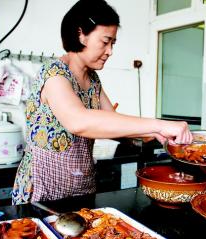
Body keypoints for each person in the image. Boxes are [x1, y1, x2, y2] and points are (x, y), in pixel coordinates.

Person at [11, 0, 192, 205]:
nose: (110, 51)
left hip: (81, 188)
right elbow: (78, 121)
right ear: (81, 34)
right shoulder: (54, 73)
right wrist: (159, 124)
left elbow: (113, 122)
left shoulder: (92, 79)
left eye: (113, 43)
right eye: (105, 41)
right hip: (43, 193)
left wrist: (157, 134)